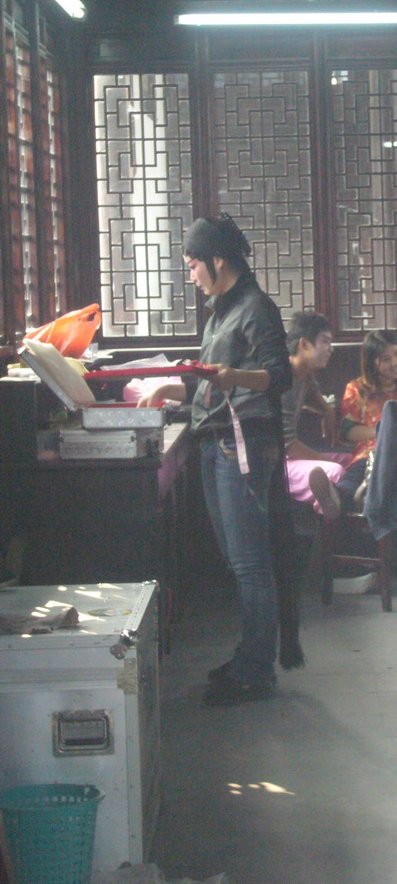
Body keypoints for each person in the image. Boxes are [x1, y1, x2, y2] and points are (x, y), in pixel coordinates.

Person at [139, 213, 293, 703]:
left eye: (192, 264)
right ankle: (252, 656)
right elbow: (211, 377)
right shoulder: (221, 309)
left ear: (217, 260)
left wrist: (232, 377)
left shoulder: (255, 308)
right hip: (215, 439)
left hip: (241, 443)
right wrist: (173, 384)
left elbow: (277, 376)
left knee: (250, 563)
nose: (191, 274)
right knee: (237, 558)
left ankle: (256, 671)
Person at [309, 329, 397, 518]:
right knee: (360, 471)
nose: (395, 363)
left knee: (393, 474)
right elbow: (347, 431)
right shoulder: (357, 389)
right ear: (372, 363)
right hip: (369, 454)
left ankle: (355, 497)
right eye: (386, 359)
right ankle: (336, 498)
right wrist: (383, 431)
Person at [282, 311, 352, 508]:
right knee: (335, 471)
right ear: (304, 344)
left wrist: (328, 411)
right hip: (276, 462)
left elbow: (313, 396)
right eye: (325, 342)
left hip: (292, 458)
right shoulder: (283, 379)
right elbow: (289, 447)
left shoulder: (303, 374)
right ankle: (331, 532)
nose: (331, 349)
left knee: (352, 460)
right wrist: (324, 458)